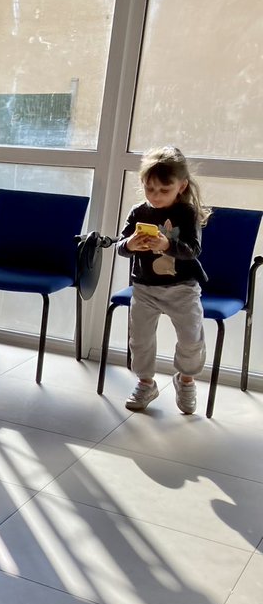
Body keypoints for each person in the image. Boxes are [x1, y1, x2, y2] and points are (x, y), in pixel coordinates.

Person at [116, 146, 210, 415]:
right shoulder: (138, 212)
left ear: (181, 186)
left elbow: (193, 250)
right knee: (141, 339)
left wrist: (167, 243)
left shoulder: (187, 214)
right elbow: (120, 246)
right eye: (149, 189)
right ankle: (146, 382)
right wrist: (131, 244)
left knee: (191, 338)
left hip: (182, 289)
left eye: (163, 190)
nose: (155, 196)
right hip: (145, 288)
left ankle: (186, 379)